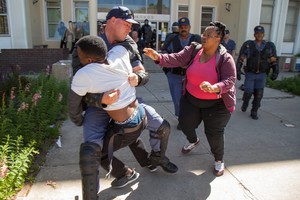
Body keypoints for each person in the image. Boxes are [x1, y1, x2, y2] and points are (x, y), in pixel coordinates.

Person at [69, 6, 177, 200]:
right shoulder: (86, 46)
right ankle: (117, 178)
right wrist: (100, 99)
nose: (130, 29)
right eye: (126, 24)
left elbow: (141, 70)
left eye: (131, 25)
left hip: (127, 101)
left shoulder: (128, 43)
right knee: (91, 152)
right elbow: (77, 88)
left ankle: (155, 159)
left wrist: (139, 78)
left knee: (157, 127)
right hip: (98, 106)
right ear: (112, 21)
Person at [144, 21, 236, 177]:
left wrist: (215, 87)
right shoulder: (194, 50)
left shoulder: (225, 58)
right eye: (204, 34)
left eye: (209, 35)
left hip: (217, 104)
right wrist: (158, 57)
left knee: (213, 133)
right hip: (191, 98)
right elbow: (176, 58)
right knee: (185, 125)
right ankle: (193, 140)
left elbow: (230, 80)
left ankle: (218, 160)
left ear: (218, 39)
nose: (204, 37)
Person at [71, 35, 147, 190]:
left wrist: (79, 120)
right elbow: (129, 43)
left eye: (80, 56)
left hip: (126, 123)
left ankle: (126, 173)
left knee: (96, 154)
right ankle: (148, 161)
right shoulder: (120, 51)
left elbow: (73, 105)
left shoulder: (85, 74)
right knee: (125, 135)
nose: (78, 59)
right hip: (137, 114)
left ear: (89, 60)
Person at [160, 17, 201, 130]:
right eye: (181, 27)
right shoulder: (172, 39)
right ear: (178, 28)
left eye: (185, 27)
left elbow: (203, 53)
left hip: (192, 76)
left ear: (189, 27)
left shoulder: (196, 39)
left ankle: (191, 119)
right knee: (177, 100)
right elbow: (164, 52)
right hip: (175, 75)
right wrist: (170, 64)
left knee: (193, 99)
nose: (183, 29)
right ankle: (181, 119)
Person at [237, 25, 279, 120]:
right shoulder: (248, 45)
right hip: (250, 73)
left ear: (263, 34)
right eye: (257, 33)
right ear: (254, 34)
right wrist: (238, 70)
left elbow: (274, 60)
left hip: (262, 74)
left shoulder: (270, 46)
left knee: (259, 94)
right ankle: (245, 102)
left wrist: (275, 71)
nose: (259, 35)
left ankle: (254, 111)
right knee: (248, 92)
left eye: (261, 33)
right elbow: (241, 58)